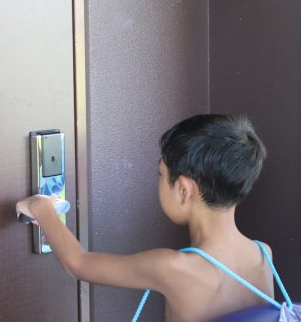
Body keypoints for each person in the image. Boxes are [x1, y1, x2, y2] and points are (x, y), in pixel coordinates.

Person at [16, 114, 274, 322]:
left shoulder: (173, 267)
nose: (159, 180)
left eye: (161, 174)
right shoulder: (262, 256)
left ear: (184, 190)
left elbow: (78, 263)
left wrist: (41, 207)